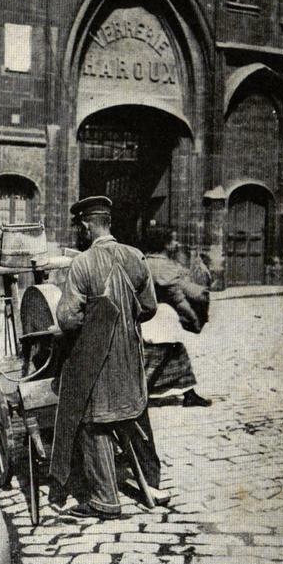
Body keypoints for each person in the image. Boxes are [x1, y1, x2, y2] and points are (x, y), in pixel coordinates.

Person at [49, 196, 167, 521]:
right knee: (133, 411)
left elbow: (67, 319)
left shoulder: (83, 264)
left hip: (98, 362)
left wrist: (96, 322)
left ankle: (104, 500)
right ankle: (150, 483)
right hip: (131, 360)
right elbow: (150, 308)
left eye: (80, 227)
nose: (80, 233)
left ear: (87, 225)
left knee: (90, 419)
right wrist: (122, 320)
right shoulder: (136, 257)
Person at [141, 225, 212, 407]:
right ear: (164, 244)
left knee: (176, 354)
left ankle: (189, 393)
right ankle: (140, 395)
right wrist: (194, 318)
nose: (176, 244)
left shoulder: (142, 260)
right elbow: (178, 299)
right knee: (158, 358)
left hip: (143, 317)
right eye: (172, 240)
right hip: (159, 320)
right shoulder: (164, 266)